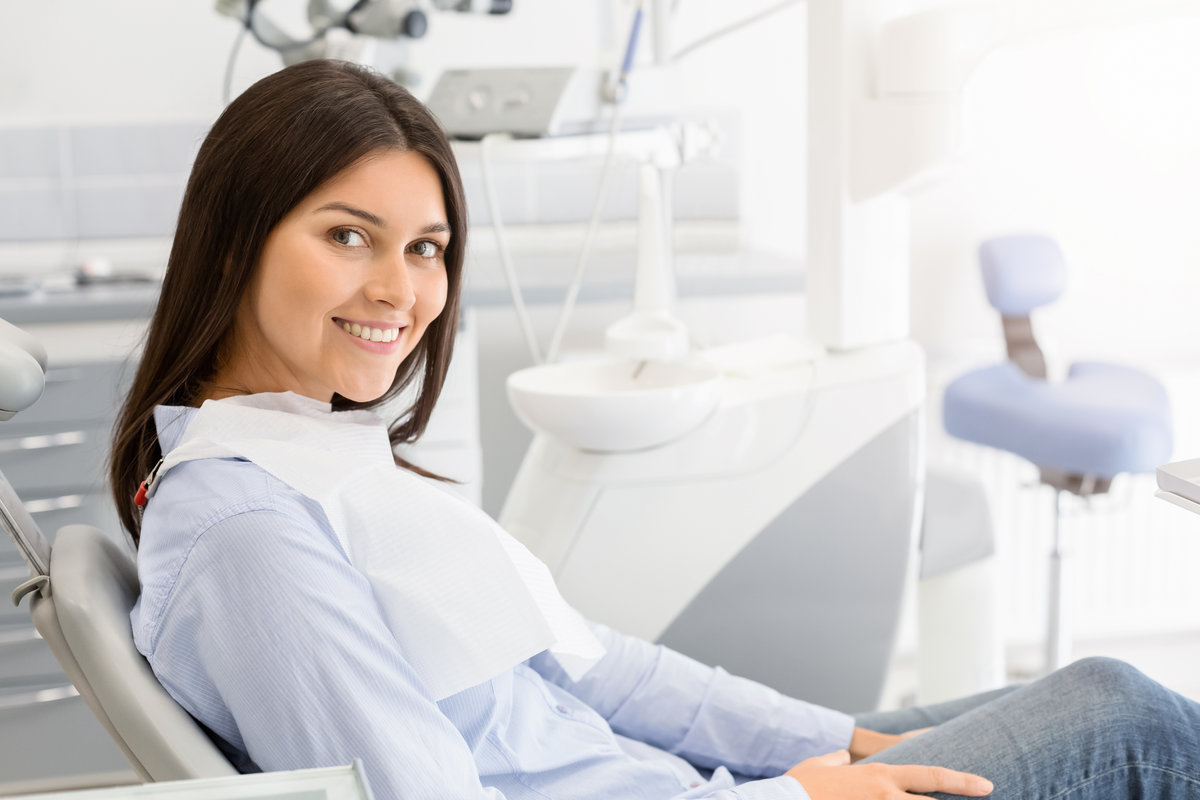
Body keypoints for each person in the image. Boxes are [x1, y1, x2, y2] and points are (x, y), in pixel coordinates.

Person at [111, 59, 1200, 800]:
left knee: (1076, 691)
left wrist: (832, 741)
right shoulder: (248, 529)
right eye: (350, 235)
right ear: (237, 237)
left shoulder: (304, 450)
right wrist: (793, 794)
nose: (400, 290)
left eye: (426, 247)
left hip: (682, 780)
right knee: (1125, 718)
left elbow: (593, 670)